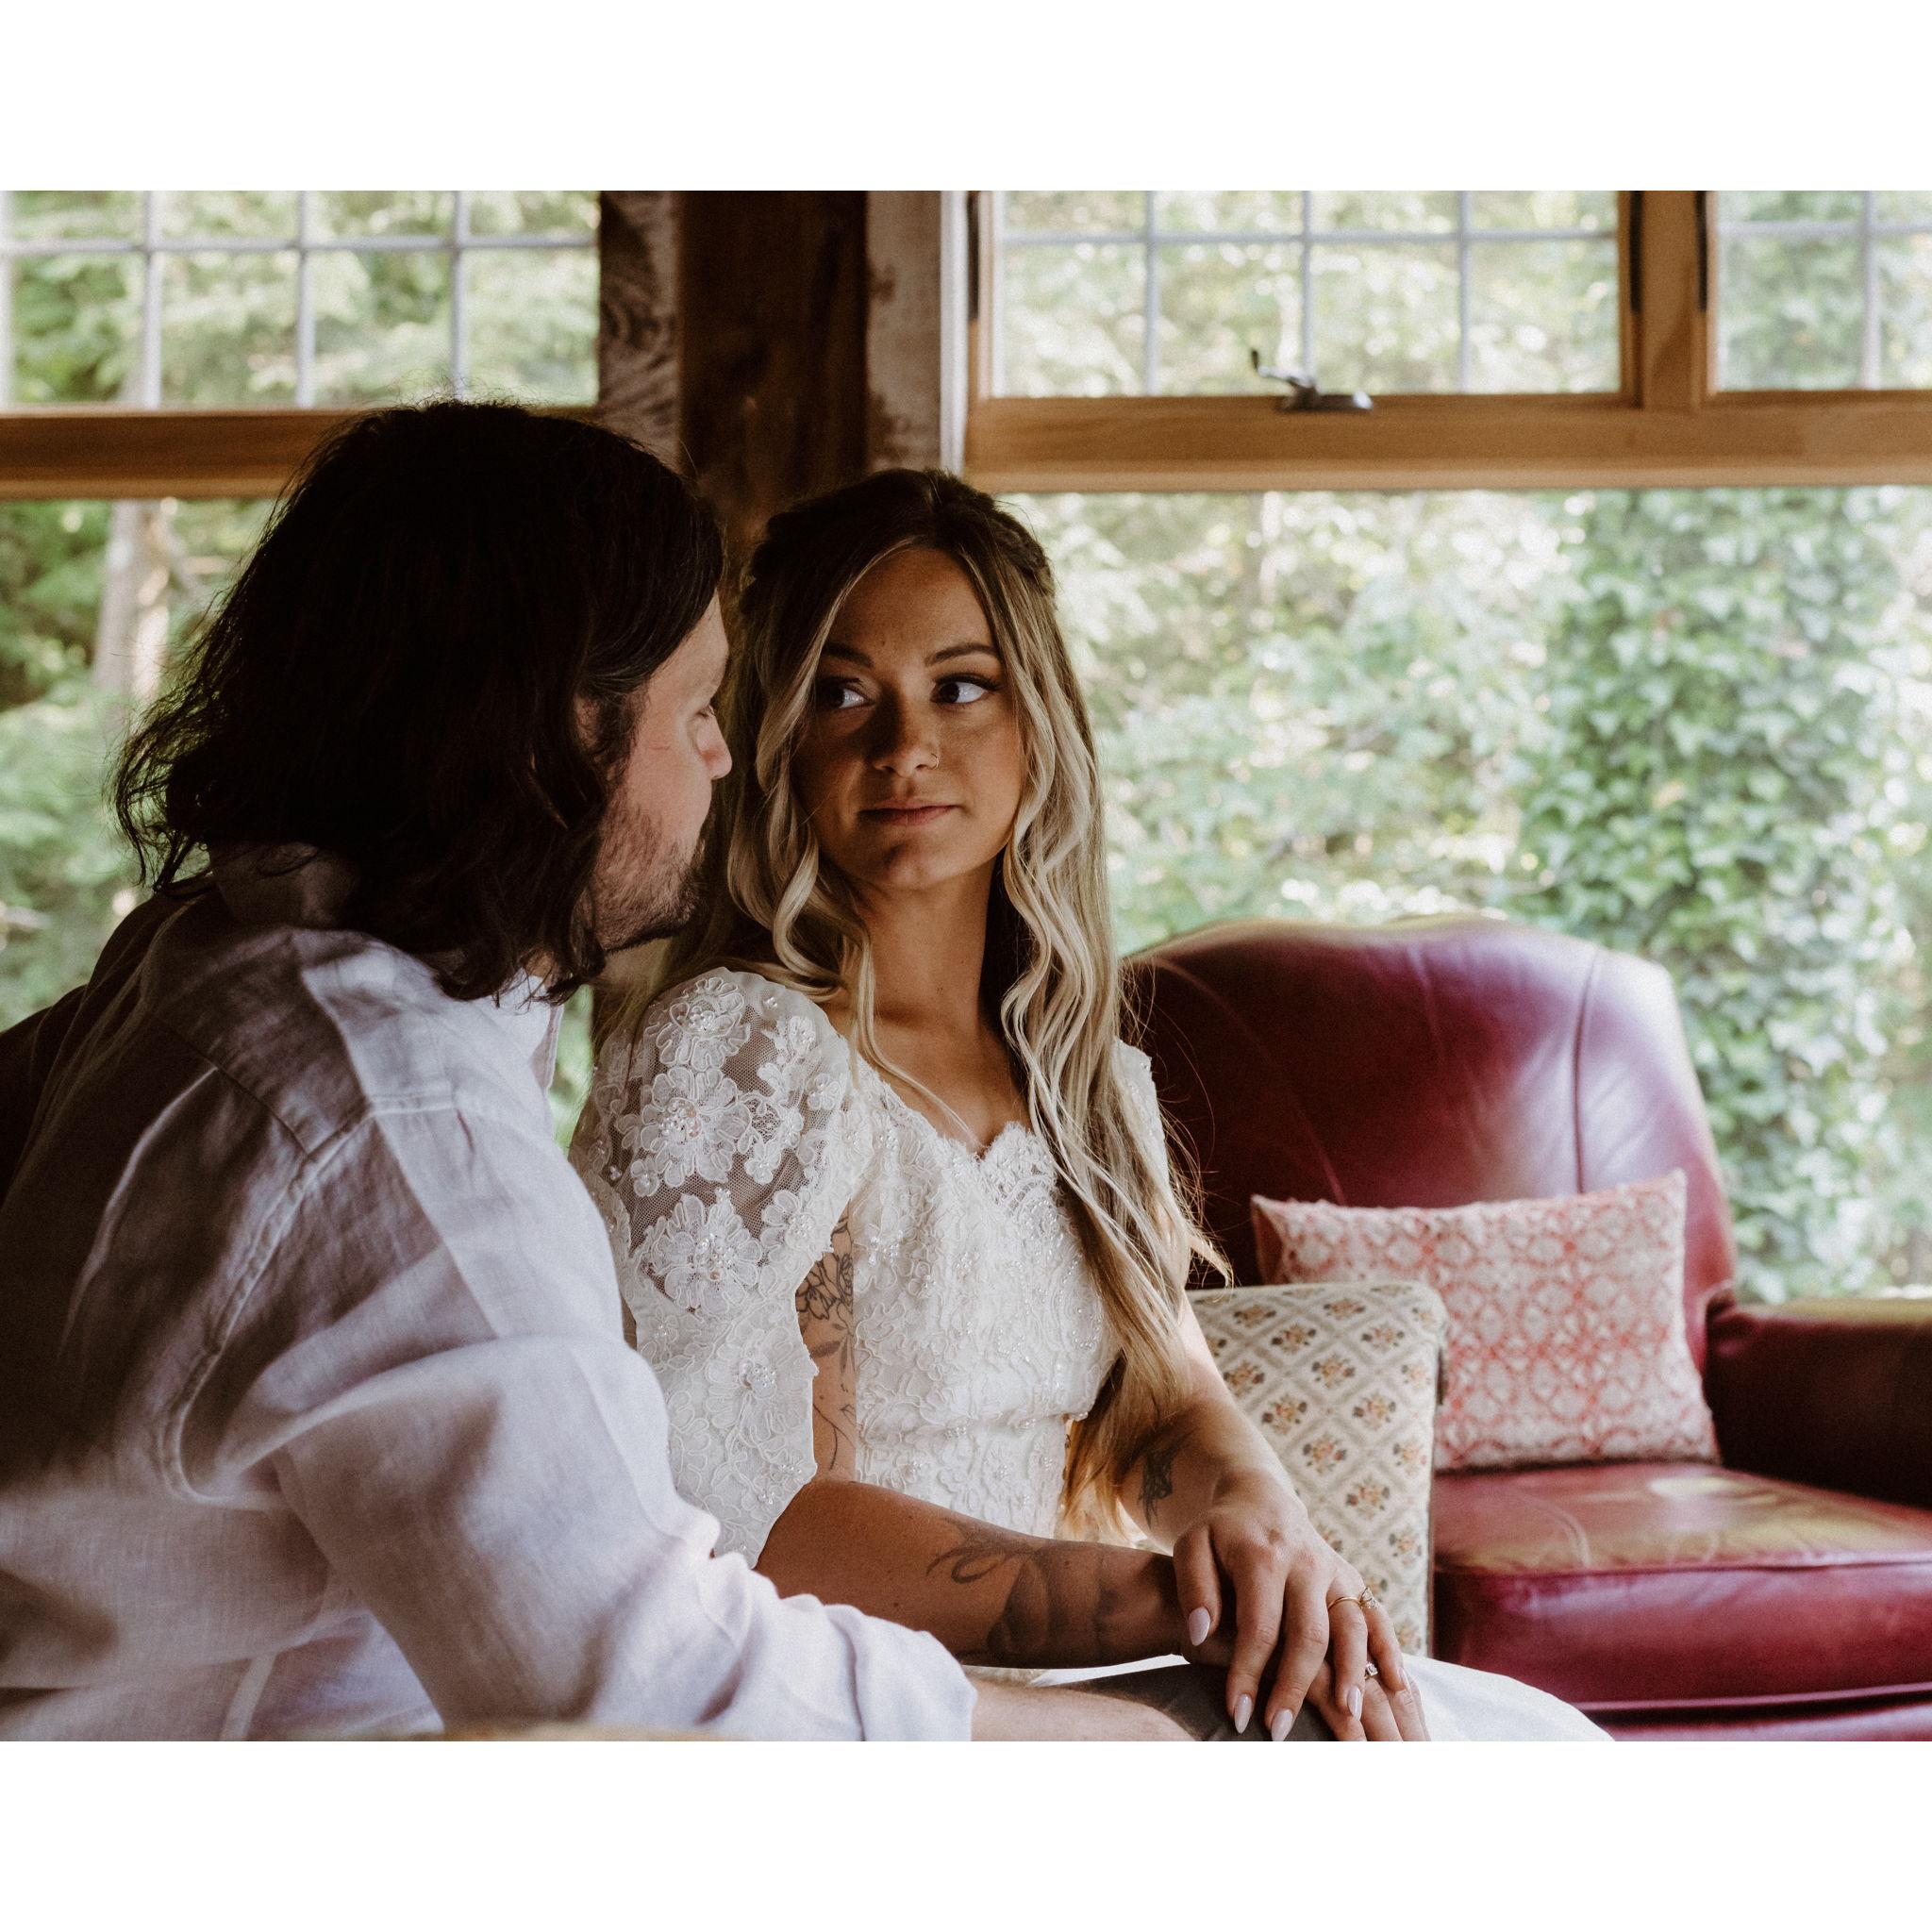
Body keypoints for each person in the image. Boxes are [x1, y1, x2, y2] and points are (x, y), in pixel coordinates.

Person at [0, 404, 1184, 1743]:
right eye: (695, 709)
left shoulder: (214, 953)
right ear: (550, 733)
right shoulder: (400, 1137)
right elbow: (651, 1688)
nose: (725, 757)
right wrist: (1138, 1740)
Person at [573, 468, 1607, 1741]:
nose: (904, 747)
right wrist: (1179, 1606)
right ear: (776, 736)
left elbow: (1166, 1400)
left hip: (1093, 1676)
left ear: (1039, 719)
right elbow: (753, 1516)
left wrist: (1257, 1520)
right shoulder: (743, 1055)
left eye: (961, 686)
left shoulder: (1082, 1078)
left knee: (1531, 1744)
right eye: (843, 694)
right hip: (858, 1703)